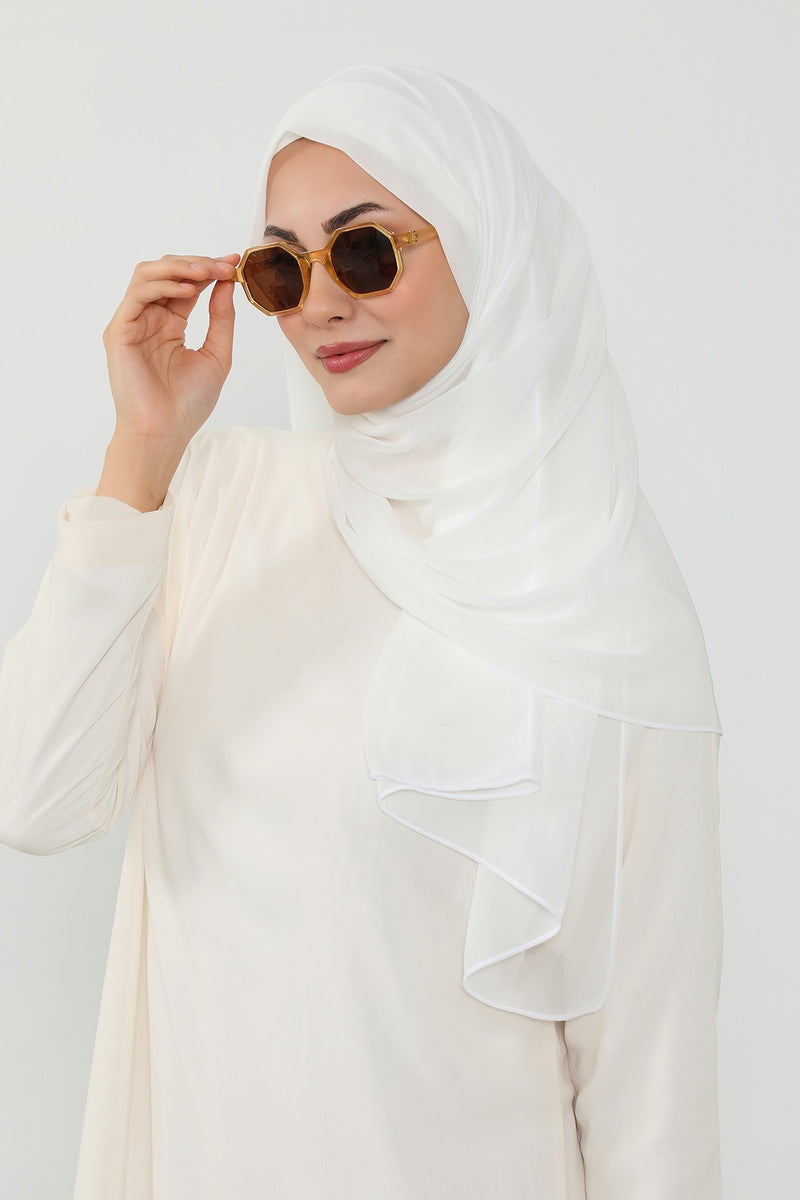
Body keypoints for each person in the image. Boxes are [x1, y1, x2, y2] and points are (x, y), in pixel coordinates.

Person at [0, 66, 723, 1199]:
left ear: (484, 244)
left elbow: (648, 1080)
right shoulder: (219, 501)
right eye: (283, 270)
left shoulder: (601, 603)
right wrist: (139, 453)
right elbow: (35, 799)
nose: (323, 306)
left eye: (369, 251)